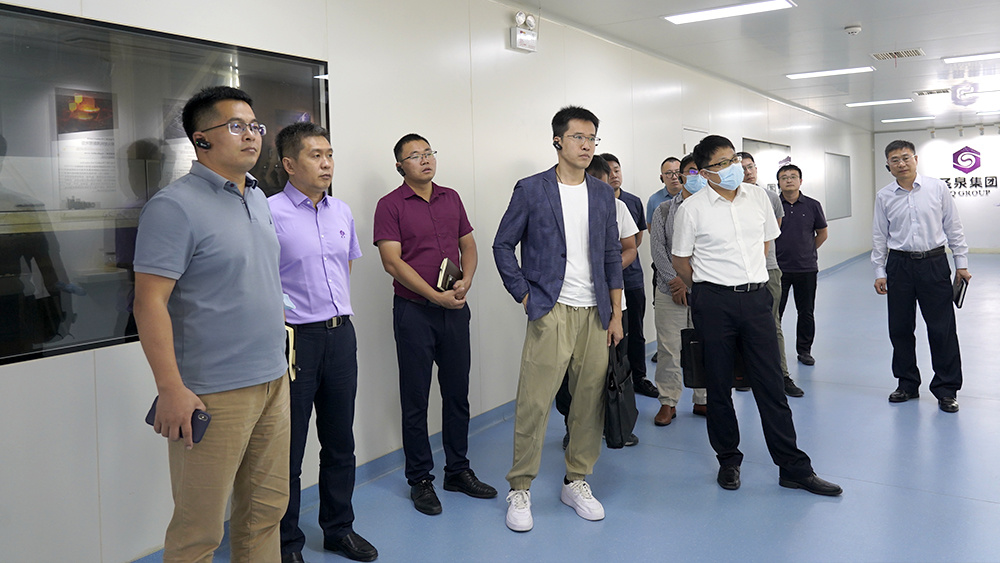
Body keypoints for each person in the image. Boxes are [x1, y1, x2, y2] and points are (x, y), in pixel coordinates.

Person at [133, 86, 290, 561]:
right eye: (236, 126)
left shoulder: (258, 197)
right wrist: (171, 389)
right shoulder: (173, 206)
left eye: (255, 126)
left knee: (265, 513)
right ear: (201, 139)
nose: (252, 135)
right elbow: (149, 303)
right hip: (213, 393)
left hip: (273, 380)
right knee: (199, 531)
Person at [671, 135, 840, 496]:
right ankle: (728, 460)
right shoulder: (692, 209)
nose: (733, 167)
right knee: (718, 385)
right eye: (722, 163)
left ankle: (793, 467)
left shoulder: (759, 197)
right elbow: (680, 261)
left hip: (756, 299)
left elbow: (765, 243)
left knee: (771, 384)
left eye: (734, 159)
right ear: (705, 172)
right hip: (714, 302)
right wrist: (709, 287)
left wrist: (747, 277)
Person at [493, 106, 624, 532]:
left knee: (589, 402)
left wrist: (616, 313)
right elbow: (502, 244)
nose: (587, 146)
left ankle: (576, 479)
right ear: (557, 141)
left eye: (592, 138)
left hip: (596, 313)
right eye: (578, 137)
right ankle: (520, 486)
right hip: (551, 309)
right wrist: (525, 294)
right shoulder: (532, 189)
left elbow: (611, 255)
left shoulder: (602, 194)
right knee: (534, 402)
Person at [269, 123, 377, 563]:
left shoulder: (341, 211)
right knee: (288, 447)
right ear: (289, 164)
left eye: (329, 154)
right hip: (296, 341)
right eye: (315, 155)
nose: (327, 163)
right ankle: (285, 542)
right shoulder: (268, 212)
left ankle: (339, 529)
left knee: (339, 441)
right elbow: (262, 278)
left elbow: (343, 270)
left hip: (340, 335)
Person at [374, 133, 496, 517]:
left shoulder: (451, 198)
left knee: (457, 394)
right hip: (414, 312)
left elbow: (469, 246)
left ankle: (457, 470)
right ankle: (420, 480)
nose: (425, 159)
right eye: (415, 155)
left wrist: (466, 281)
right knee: (416, 398)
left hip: (454, 309)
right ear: (400, 166)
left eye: (428, 153)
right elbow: (392, 262)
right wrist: (433, 295)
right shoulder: (390, 205)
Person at [872, 140, 969, 413]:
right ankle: (907, 384)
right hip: (899, 265)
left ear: (915, 159)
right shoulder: (884, 196)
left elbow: (953, 226)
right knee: (900, 328)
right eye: (894, 160)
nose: (901, 163)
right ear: (888, 166)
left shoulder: (937, 188)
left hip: (934, 263)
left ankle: (946, 389)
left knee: (942, 329)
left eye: (905, 157)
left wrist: (961, 264)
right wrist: (879, 271)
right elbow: (879, 235)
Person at [554, 155, 638, 448]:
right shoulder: (562, 205)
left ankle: (614, 423)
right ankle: (573, 426)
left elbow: (630, 247)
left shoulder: (618, 207)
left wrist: (609, 268)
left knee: (612, 367)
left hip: (612, 303)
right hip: (569, 304)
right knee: (570, 374)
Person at [648, 154, 707, 423]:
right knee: (668, 348)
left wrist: (691, 281)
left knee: (704, 344)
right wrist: (676, 281)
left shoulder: (713, 208)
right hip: (668, 289)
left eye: (701, 171)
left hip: (704, 289)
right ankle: (668, 401)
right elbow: (658, 249)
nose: (697, 177)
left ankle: (703, 398)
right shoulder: (663, 210)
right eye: (691, 171)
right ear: (681, 175)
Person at [738, 152, 802, 397]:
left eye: (751, 166)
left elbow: (773, 231)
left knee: (772, 324)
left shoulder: (770, 197)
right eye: (742, 168)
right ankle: (745, 372)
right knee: (740, 325)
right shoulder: (727, 200)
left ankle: (781, 375)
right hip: (737, 273)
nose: (748, 172)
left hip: (768, 269)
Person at [601, 153, 656, 398]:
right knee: (611, 337)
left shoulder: (631, 202)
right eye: (608, 171)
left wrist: (618, 263)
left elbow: (636, 239)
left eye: (617, 170)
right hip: (605, 285)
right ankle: (614, 385)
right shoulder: (596, 202)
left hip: (631, 278)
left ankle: (639, 377)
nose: (614, 175)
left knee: (635, 331)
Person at [775, 164, 828, 368]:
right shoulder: (773, 205)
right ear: (779, 182)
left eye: (793, 176)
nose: (789, 180)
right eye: (784, 177)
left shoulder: (812, 205)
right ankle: (773, 350)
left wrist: (808, 250)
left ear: (800, 181)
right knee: (775, 312)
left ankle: (804, 350)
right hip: (778, 268)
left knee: (806, 312)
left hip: (806, 268)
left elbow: (822, 233)